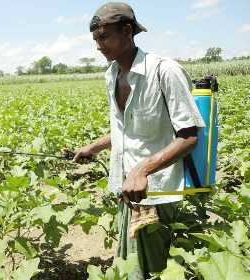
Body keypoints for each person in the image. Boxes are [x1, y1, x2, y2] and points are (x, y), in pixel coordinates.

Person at [70, 2, 205, 279]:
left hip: (157, 193)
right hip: (128, 192)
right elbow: (127, 129)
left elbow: (189, 136)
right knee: (132, 269)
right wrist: (94, 147)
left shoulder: (164, 71)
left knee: (153, 271)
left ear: (128, 30)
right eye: (95, 39)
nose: (98, 45)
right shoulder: (112, 75)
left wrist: (142, 170)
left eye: (104, 37)